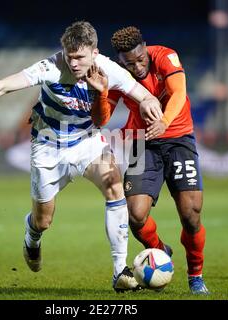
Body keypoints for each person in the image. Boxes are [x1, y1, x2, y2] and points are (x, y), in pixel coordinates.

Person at [0, 21, 163, 292]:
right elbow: (3, 86)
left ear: (95, 53)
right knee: (43, 220)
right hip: (48, 147)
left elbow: (144, 95)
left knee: (115, 187)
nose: (74, 63)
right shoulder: (50, 67)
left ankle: (119, 272)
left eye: (80, 57)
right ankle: (32, 238)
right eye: (70, 56)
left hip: (86, 142)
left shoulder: (108, 69)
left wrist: (150, 103)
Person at [90, 26, 209, 294]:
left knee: (191, 216)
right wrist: (100, 94)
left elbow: (178, 93)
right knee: (136, 215)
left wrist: (164, 122)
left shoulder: (165, 56)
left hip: (179, 138)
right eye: (129, 63)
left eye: (141, 59)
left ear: (145, 47)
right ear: (120, 61)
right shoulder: (117, 74)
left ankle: (195, 276)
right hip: (140, 143)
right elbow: (102, 118)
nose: (138, 67)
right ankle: (159, 252)